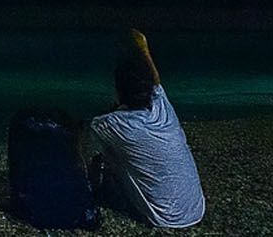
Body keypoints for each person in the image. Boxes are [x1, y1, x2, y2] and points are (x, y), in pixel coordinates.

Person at [78, 29, 206, 228]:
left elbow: (83, 147)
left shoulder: (110, 124)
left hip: (163, 218)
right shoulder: (161, 108)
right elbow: (155, 82)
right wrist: (144, 50)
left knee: (103, 157)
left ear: (118, 89)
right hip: (195, 209)